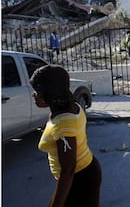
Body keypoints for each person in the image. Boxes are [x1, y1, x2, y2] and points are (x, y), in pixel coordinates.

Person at [29, 64, 102, 207]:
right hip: (85, 172)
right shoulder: (71, 106)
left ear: (50, 93)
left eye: (38, 91)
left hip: (80, 180)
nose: (34, 95)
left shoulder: (63, 126)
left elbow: (68, 169)